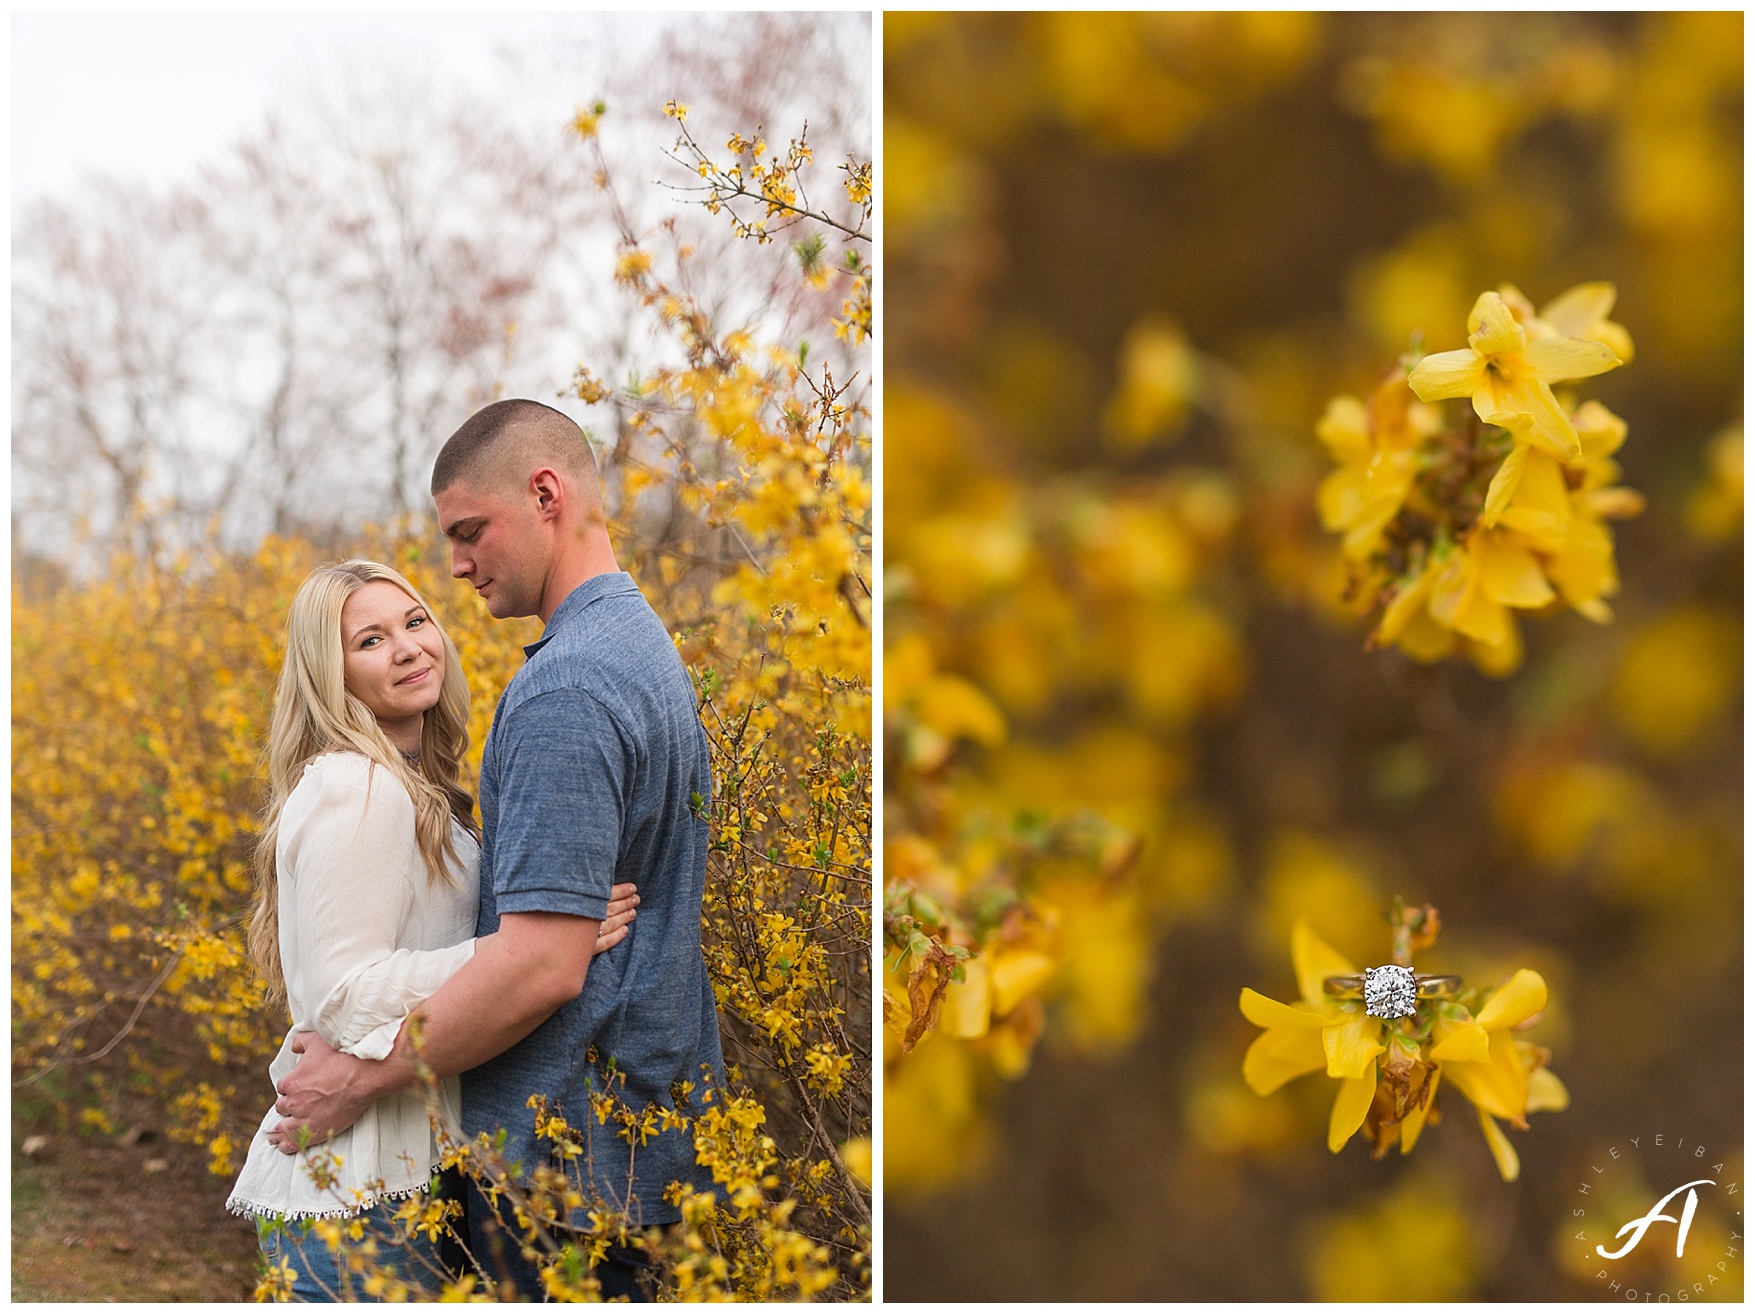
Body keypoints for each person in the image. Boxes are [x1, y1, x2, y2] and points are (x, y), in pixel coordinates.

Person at [268, 399, 727, 1301]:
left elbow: (541, 966)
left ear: (546, 493)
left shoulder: (566, 690)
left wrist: (366, 1079)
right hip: (625, 1146)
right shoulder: (637, 644)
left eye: (470, 531)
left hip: (568, 1166)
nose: (457, 566)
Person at [225, 559, 636, 1302]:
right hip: (353, 1197)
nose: (410, 648)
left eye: (415, 623)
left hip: (407, 1179)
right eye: (371, 641)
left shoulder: (414, 786)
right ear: (330, 673)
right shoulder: (359, 788)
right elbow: (343, 999)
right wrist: (518, 954)